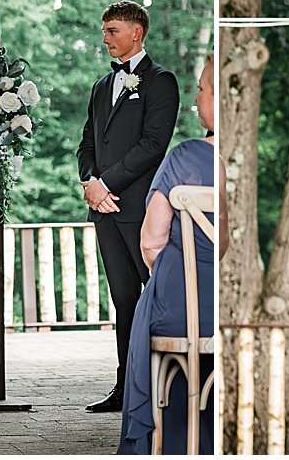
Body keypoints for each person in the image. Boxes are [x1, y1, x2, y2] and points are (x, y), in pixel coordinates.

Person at [77, 0, 180, 413]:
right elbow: (87, 142)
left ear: (136, 32)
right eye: (104, 31)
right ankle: (125, 388)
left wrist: (107, 183)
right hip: (103, 209)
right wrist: (90, 182)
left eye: (113, 30)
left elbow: (154, 146)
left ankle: (163, 386)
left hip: (139, 208)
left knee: (156, 297)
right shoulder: (102, 86)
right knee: (123, 299)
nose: (106, 38)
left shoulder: (161, 81)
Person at [118, 57, 216, 454]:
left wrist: (181, 274)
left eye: (204, 87)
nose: (197, 97)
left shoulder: (184, 159)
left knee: (152, 304)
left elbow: (151, 243)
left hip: (186, 312)